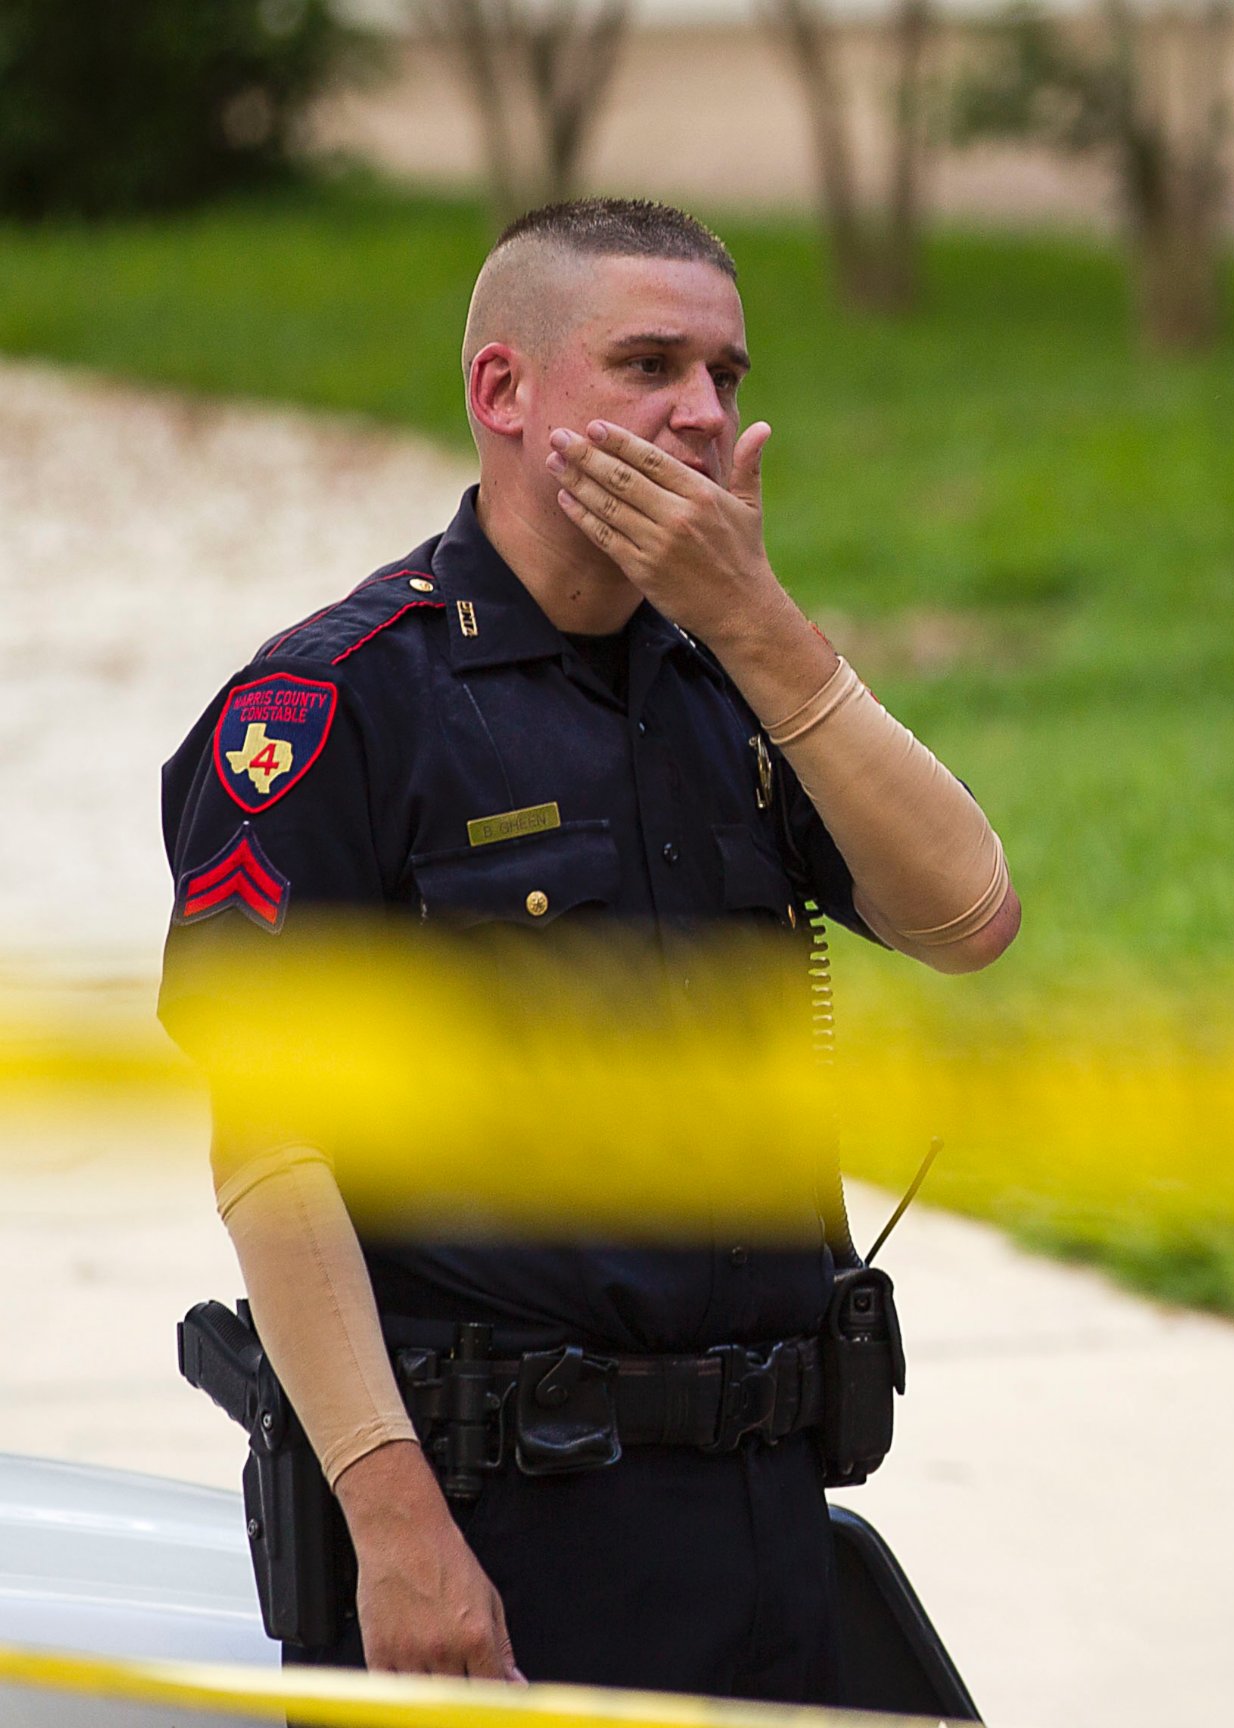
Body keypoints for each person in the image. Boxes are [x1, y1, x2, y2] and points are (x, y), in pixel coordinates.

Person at [157, 198, 1019, 1696]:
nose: (701, 413)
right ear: (506, 392)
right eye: (649, 365)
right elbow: (272, 1152)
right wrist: (398, 1533)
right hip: (503, 1528)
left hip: (767, 1509)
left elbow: (967, 916)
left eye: (728, 377)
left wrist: (761, 628)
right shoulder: (332, 706)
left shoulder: (733, 676)